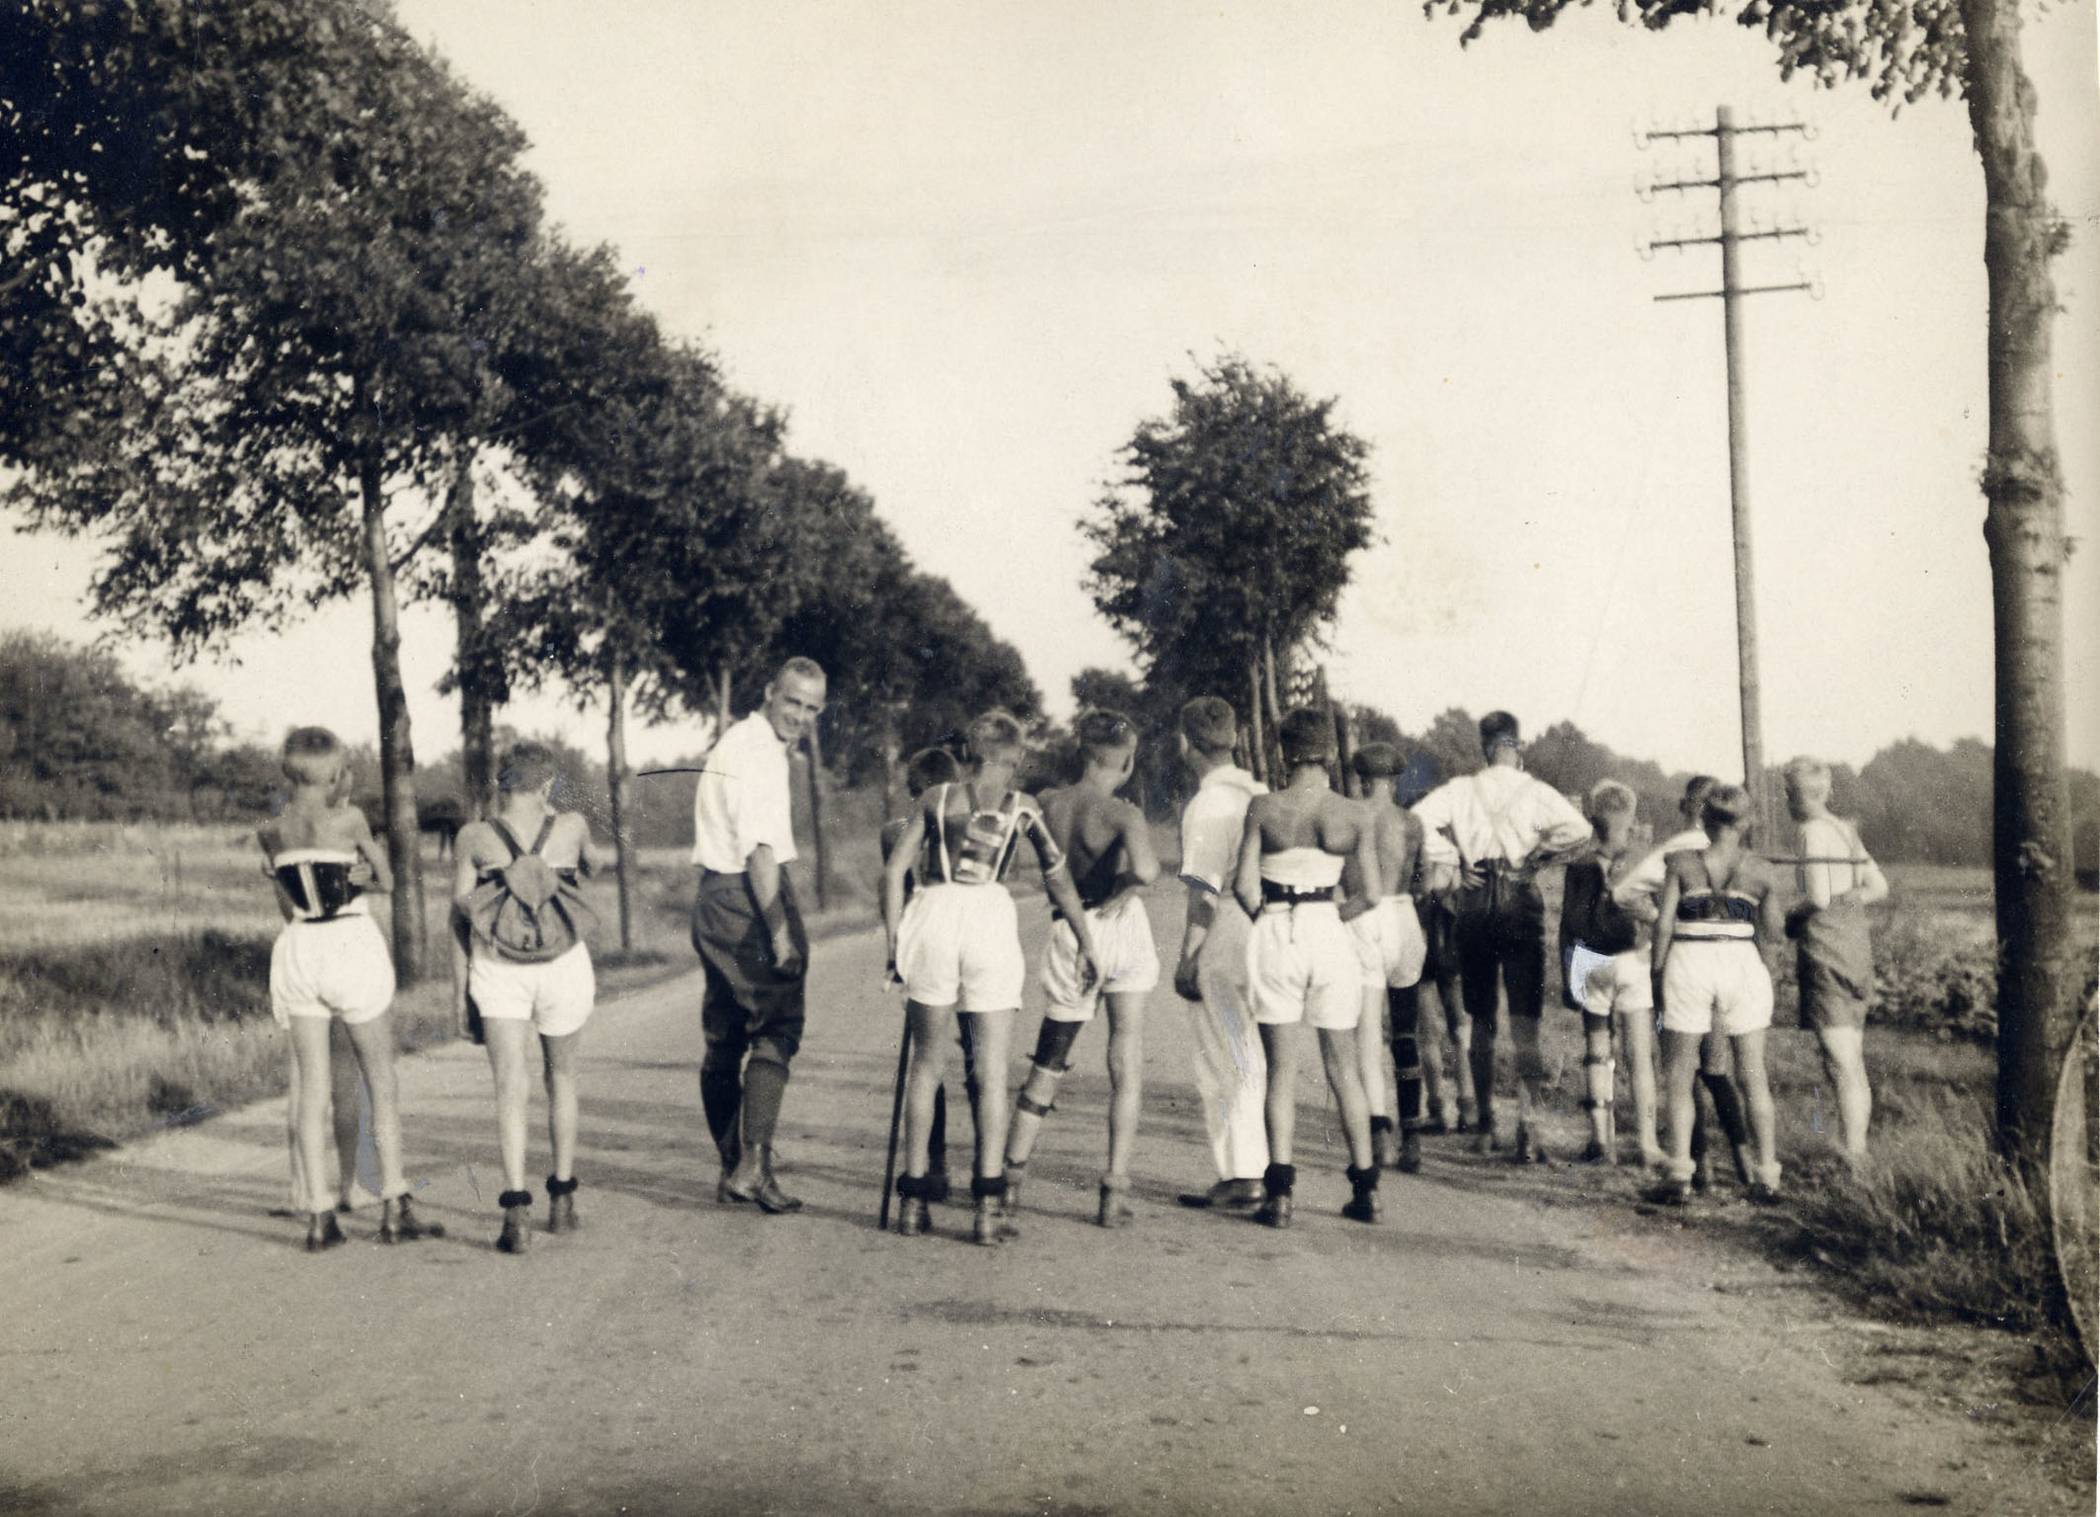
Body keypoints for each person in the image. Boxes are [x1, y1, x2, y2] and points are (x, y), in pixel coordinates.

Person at [883, 709, 1101, 1245]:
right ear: (1016, 759)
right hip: (988, 920)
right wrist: (1086, 939)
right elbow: (1058, 878)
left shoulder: (934, 799)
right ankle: (985, 1209)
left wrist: (895, 940)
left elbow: (893, 871)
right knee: (990, 1072)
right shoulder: (1021, 808)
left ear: (968, 756)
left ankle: (912, 1203)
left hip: (933, 916)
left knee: (927, 1066)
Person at [259, 726, 440, 1252]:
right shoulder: (351, 818)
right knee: (380, 1081)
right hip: (349, 946)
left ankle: (319, 1215)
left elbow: (289, 908)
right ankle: (393, 1204)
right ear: (335, 773)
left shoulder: (271, 830)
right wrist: (362, 872)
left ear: (288, 773)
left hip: (299, 950)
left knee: (313, 1090)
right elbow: (387, 880)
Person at [1412, 711, 1592, 1161]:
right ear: (1517, 746)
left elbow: (1415, 821)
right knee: (1526, 1023)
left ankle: (1486, 1125)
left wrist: (1454, 858)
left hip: (1474, 907)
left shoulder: (1460, 790)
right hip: (1519, 901)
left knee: (1482, 1021)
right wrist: (1538, 858)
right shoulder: (1535, 791)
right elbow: (1582, 830)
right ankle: (1528, 1130)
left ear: (1484, 746)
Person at [1005, 709, 1162, 1228]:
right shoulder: (1124, 813)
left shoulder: (1049, 803)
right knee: (1126, 1053)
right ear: (1129, 760)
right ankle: (1114, 1188)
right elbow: (1145, 869)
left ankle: (1009, 1177)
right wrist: (1126, 890)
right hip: (1120, 929)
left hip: (1071, 930)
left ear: (1082, 753)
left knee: (1051, 1055)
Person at [452, 741, 602, 1254]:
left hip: (497, 965)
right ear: (546, 785)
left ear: (501, 784)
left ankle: (515, 1210)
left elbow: (460, 912)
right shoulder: (573, 826)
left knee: (508, 1086)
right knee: (561, 1076)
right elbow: (596, 868)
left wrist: (459, 991)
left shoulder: (473, 836)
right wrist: (556, 820)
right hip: (562, 964)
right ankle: (562, 1201)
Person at [1234, 707, 1382, 1228]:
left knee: (1281, 1070)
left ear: (1283, 752)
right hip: (1328, 930)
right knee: (1343, 1067)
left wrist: (1272, 919)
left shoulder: (1263, 807)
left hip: (1276, 925)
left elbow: (1242, 885)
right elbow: (1371, 894)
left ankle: (1280, 1195)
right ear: (1331, 752)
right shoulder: (1353, 813)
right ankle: (1366, 1190)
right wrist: (1327, 917)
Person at [692, 657, 826, 1215]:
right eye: (792, 701)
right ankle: (752, 1166)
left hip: (715, 897)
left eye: (811, 708)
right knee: (777, 1027)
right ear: (770, 692)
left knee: (725, 1037)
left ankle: (736, 1170)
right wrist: (780, 932)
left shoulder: (738, 741)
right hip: (747, 900)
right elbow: (761, 852)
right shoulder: (760, 755)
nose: (799, 716)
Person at [1615, 774, 1756, 1189]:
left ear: (1686, 808)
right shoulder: (1740, 854)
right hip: (1731, 965)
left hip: (1685, 966)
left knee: (1684, 1069)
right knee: (1717, 1068)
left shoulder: (1675, 850)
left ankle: (1700, 1168)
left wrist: (1664, 919)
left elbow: (1623, 893)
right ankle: (1746, 1162)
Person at [1650, 784, 1787, 1206]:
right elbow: (1775, 933)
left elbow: (1663, 926)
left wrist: (1657, 974)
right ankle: (1766, 1177)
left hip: (1690, 961)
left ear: (1704, 821)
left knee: (1678, 1073)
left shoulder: (1680, 863)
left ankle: (1678, 1174)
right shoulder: (1761, 870)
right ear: (1747, 824)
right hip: (1741, 963)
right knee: (1752, 1074)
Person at [1168, 697, 1270, 1211]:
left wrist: (1188, 957)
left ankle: (1241, 1173)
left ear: (1186, 744)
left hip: (1230, 926)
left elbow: (1203, 894)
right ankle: (1266, 1168)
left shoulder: (1206, 806)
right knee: (1260, 1051)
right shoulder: (1261, 791)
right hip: (1272, 926)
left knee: (1226, 1054)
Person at [1783, 755, 1888, 1164]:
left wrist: (1792, 916)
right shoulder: (1844, 830)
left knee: (1840, 1064)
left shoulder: (1810, 832)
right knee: (1852, 1062)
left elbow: (1818, 898)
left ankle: (1853, 1158)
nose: (1787, 800)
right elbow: (1877, 886)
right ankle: (1856, 1151)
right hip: (1856, 952)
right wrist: (1847, 904)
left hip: (1826, 953)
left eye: (1787, 792)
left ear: (1796, 794)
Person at [881, 745, 974, 1203]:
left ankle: (931, 1164)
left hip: (923, 946)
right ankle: (984, 1170)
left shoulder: (895, 832)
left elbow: (894, 889)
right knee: (979, 1058)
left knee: (927, 1059)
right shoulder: (972, 822)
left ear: (916, 791)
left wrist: (894, 955)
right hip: (972, 942)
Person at [1559, 781, 1659, 1167]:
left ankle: (1601, 1139)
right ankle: (1647, 1143)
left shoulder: (1580, 865)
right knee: (1639, 1055)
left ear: (1591, 818)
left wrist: (1568, 970)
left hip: (1590, 960)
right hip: (1633, 958)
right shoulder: (1642, 860)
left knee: (1597, 1049)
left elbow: (1568, 922)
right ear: (1632, 818)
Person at [1346, 743, 1430, 1173]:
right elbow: (1423, 883)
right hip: (1405, 918)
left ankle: (1378, 1131)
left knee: (1366, 1034)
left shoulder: (1351, 815)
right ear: (1394, 781)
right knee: (1405, 1031)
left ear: (1361, 779)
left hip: (1366, 918)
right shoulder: (1412, 822)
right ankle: (1413, 1135)